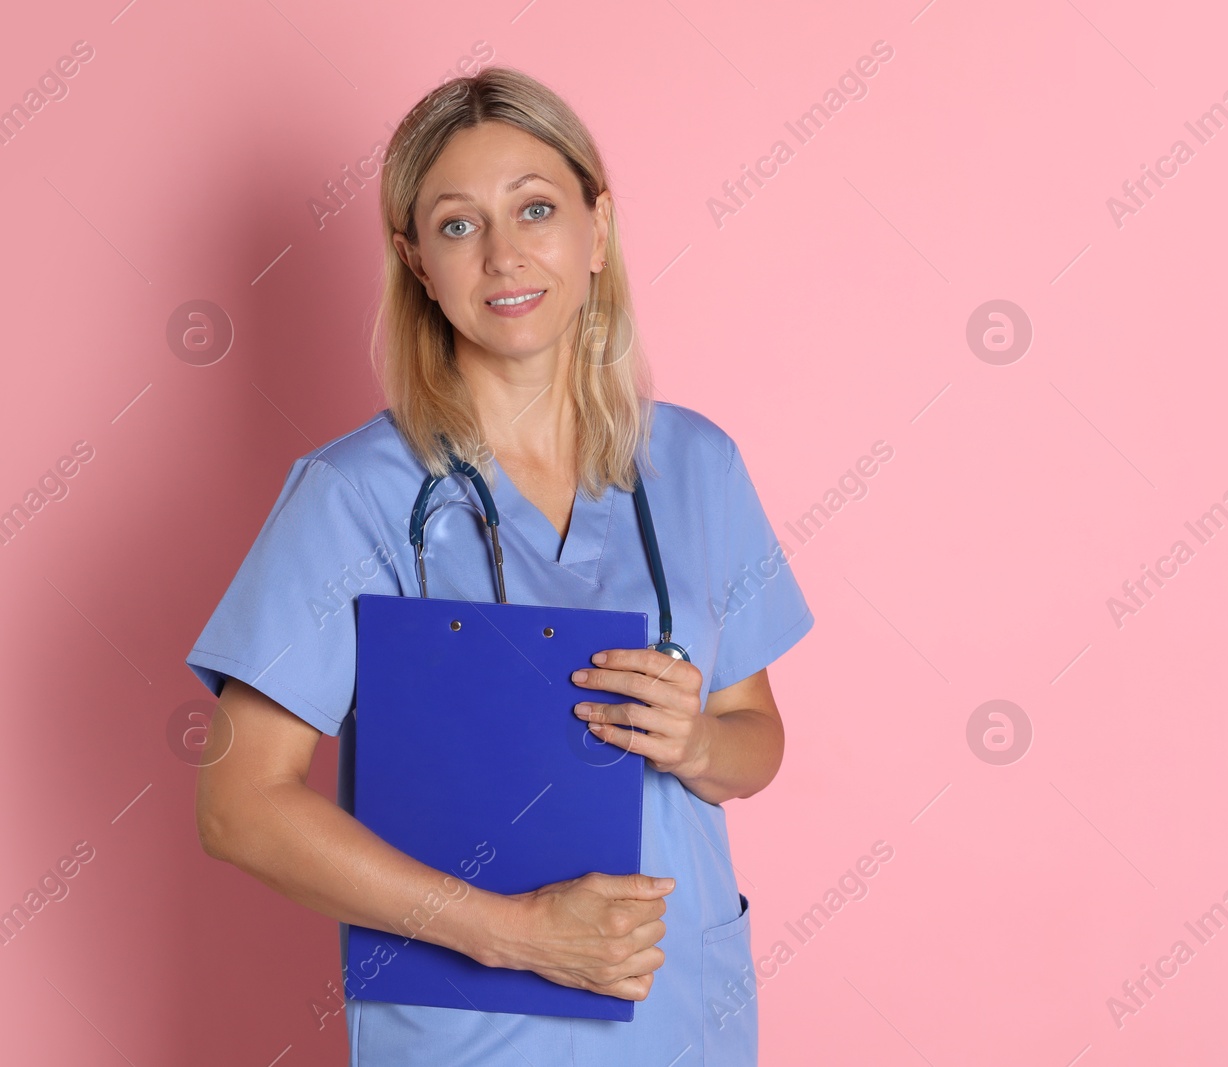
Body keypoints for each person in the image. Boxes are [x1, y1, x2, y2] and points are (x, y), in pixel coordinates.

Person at [185, 65, 813, 1066]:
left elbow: (757, 740)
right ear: (415, 260)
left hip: (681, 1015)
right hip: (470, 1033)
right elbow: (240, 805)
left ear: (595, 230)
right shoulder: (352, 495)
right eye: (458, 224)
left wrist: (695, 741)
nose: (506, 254)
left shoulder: (697, 464)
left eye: (535, 208)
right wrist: (516, 934)